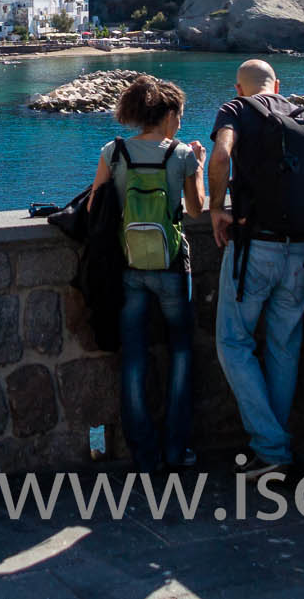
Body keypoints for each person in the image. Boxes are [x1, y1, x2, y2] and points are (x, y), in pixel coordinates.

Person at [92, 75, 207, 475]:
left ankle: (143, 454)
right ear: (169, 114)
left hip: (130, 268)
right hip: (173, 266)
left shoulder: (114, 151)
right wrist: (200, 166)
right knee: (180, 353)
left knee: (134, 358)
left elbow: (96, 206)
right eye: (179, 114)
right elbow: (196, 210)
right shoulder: (180, 155)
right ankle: (176, 450)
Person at [209, 57, 304, 474]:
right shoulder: (300, 113)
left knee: (233, 343)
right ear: (278, 84)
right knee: (283, 347)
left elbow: (220, 157)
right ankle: (275, 447)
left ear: (239, 88)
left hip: (257, 247)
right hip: (302, 248)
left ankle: (271, 449)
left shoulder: (235, 110)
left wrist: (217, 208)